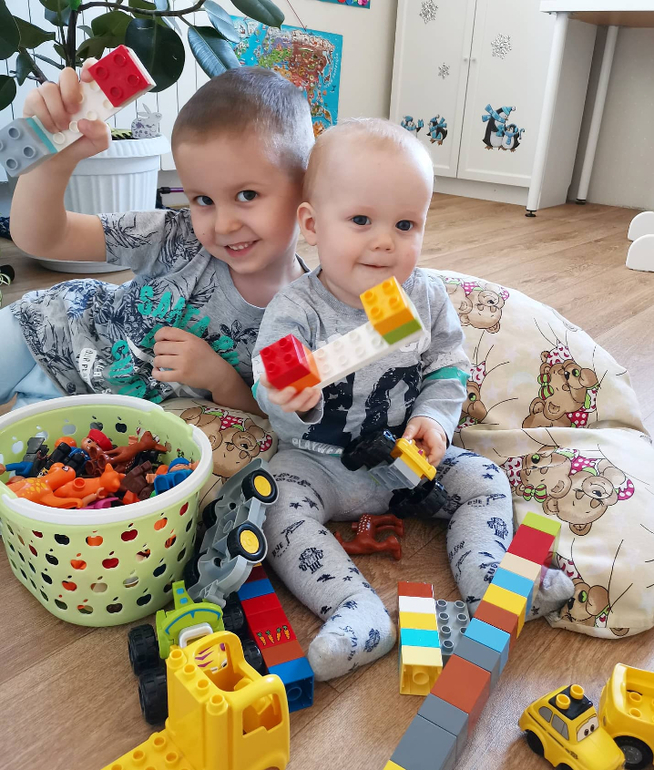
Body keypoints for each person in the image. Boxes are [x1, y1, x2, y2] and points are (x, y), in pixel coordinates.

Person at [253, 118, 573, 681]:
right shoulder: (295, 310)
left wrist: (434, 420)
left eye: (405, 224)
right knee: (273, 505)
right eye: (361, 221)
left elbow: (448, 366)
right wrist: (288, 395)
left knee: (485, 480)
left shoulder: (423, 296)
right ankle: (356, 613)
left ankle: (491, 586)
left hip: (407, 458)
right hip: (319, 464)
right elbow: (269, 378)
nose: (385, 242)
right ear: (312, 225)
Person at [4, 65, 314, 412]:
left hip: (92, 414)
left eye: (247, 195)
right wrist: (53, 162)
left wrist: (221, 380)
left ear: (307, 188)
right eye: (203, 200)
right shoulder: (175, 235)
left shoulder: (308, 314)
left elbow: (278, 415)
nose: (224, 225)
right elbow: (46, 239)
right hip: (44, 331)